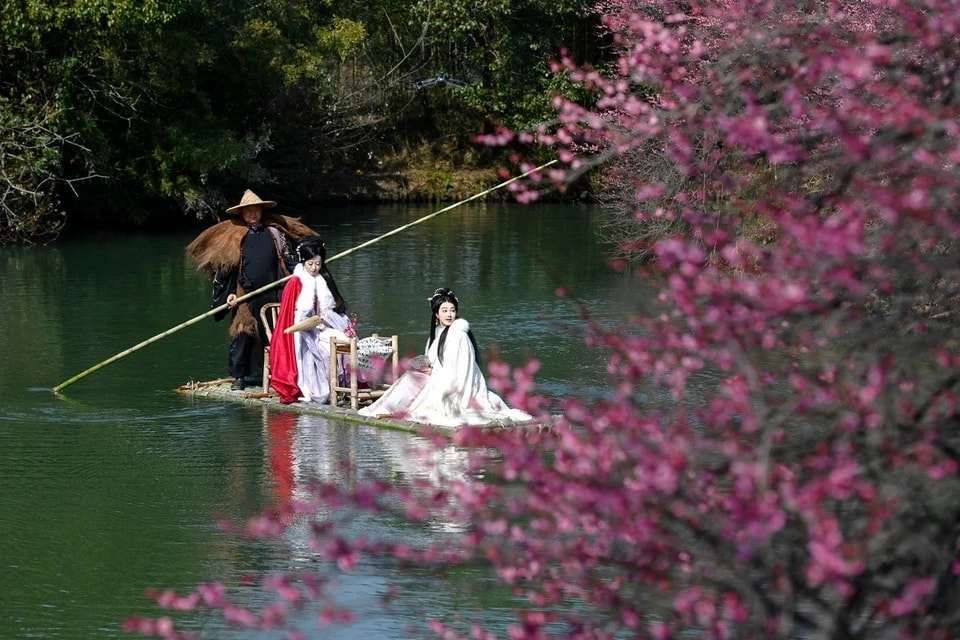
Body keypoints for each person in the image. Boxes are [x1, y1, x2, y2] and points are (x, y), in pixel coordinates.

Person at [186, 189, 317, 390]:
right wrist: (229, 294)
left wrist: (304, 273)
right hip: (245, 294)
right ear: (242, 214)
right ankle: (239, 376)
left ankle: (276, 374)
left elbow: (290, 259)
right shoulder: (237, 237)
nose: (253, 214)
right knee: (243, 334)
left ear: (262, 211)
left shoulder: (275, 233)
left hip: (275, 290)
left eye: (256, 210)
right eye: (248, 211)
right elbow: (226, 270)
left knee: (274, 334)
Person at [358, 287, 533, 427]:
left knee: (412, 381)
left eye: (452, 310)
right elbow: (433, 360)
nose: (449, 314)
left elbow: (461, 371)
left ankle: (392, 409)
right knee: (410, 377)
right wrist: (424, 367)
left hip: (456, 386)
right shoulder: (438, 334)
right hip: (438, 378)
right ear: (436, 314)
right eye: (444, 311)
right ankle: (387, 408)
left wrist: (433, 372)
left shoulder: (459, 335)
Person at [269, 237, 355, 404]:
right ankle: (327, 389)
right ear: (303, 261)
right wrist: (305, 324)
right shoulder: (295, 282)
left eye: (318, 263)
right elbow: (289, 315)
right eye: (311, 264)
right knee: (325, 350)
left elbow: (329, 309)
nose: (315, 268)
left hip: (320, 327)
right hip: (299, 330)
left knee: (345, 341)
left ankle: (343, 387)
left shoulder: (322, 279)